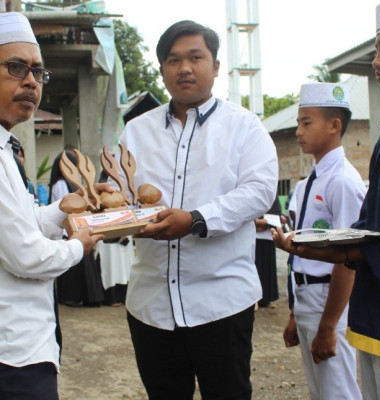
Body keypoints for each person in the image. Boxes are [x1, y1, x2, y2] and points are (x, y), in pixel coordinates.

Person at [114, 20, 278, 400]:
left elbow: (258, 191)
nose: (184, 68)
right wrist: (115, 214)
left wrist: (196, 220)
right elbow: (122, 193)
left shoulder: (245, 127)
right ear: (162, 70)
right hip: (151, 306)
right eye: (173, 60)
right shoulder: (135, 132)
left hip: (221, 303)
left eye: (195, 57)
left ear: (216, 66)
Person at [273, 2, 380, 398]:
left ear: (334, 126)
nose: (377, 61)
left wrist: (347, 255)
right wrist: (317, 249)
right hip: (376, 308)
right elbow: (366, 230)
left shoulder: (344, 178)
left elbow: (372, 240)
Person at [0, 12, 106, 400]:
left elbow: (22, 225)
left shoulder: (8, 148)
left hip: (23, 346)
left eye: (38, 72)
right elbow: (25, 256)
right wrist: (80, 243)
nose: (30, 80)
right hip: (11, 356)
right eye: (16, 67)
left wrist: (66, 205)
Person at [282, 82, 366, 400]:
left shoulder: (342, 181)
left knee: (338, 391)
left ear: (334, 126)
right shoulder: (308, 183)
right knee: (320, 391)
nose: (299, 132)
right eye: (298, 124)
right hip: (306, 296)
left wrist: (329, 325)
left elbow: (349, 256)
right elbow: (301, 255)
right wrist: (294, 313)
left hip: (328, 298)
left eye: (306, 123)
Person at [49, 150, 105, 307]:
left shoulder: (72, 185)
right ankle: (72, 297)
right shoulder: (60, 184)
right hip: (69, 231)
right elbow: (65, 206)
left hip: (76, 228)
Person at [254, 195, 281, 308]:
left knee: (267, 268)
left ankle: (266, 298)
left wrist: (261, 222)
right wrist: (258, 222)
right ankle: (254, 299)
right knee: (255, 267)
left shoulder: (272, 195)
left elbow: (276, 215)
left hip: (267, 236)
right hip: (253, 237)